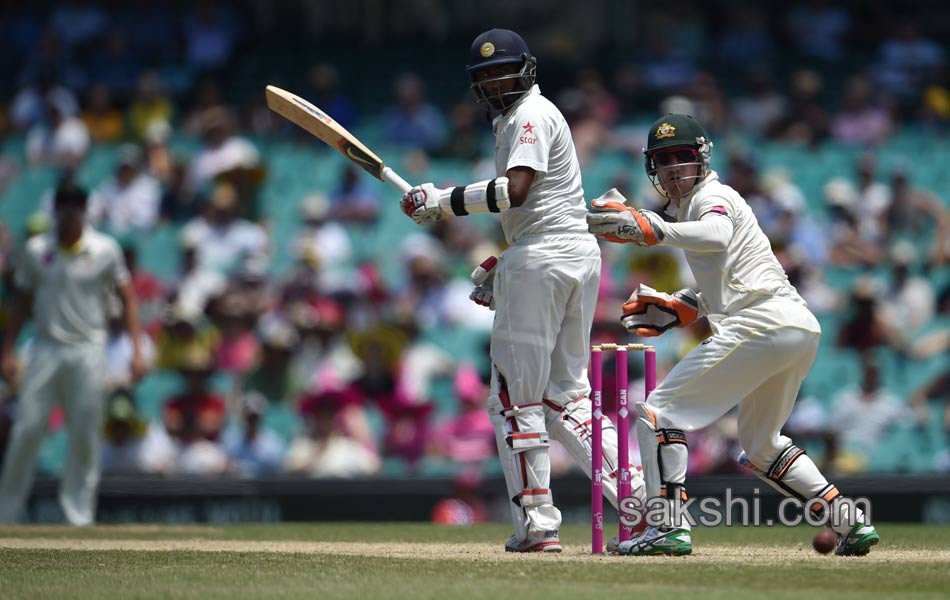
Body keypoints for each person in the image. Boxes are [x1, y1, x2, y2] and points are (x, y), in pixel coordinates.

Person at [586, 113, 880, 557]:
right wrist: (684, 306)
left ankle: (666, 527)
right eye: (663, 161)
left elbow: (719, 235)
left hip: (762, 323)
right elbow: (734, 272)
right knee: (762, 446)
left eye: (682, 159)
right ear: (653, 168)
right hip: (794, 326)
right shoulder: (690, 211)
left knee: (659, 413)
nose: (673, 169)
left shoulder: (714, 196)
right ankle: (849, 522)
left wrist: (653, 229)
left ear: (702, 159)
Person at [399, 28, 645, 553]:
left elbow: (516, 191)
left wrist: (440, 200)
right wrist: (505, 266)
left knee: (515, 400)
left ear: (527, 69)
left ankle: (536, 525)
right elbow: (529, 211)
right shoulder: (523, 117)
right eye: (485, 76)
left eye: (502, 71)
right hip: (569, 253)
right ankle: (643, 505)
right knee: (566, 396)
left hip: (546, 256)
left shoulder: (529, 114)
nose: (495, 82)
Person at [0, 182, 146, 525]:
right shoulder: (37, 250)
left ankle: (78, 516)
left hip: (88, 348)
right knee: (27, 430)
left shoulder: (105, 249)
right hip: (45, 348)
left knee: (84, 432)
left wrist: (137, 350)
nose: (70, 210)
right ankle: (7, 514)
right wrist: (7, 350)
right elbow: (21, 302)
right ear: (55, 208)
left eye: (76, 203)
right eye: (64, 203)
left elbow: (128, 298)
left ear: (85, 208)